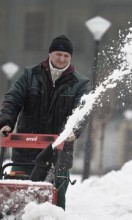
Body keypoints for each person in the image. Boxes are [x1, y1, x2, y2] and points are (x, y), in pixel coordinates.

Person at [0, 35, 90, 210]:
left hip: (59, 155)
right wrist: (6, 123)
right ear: (50, 54)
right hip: (25, 152)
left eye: (66, 56)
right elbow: (13, 99)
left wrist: (73, 130)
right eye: (58, 54)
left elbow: (82, 111)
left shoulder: (80, 83)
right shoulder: (29, 75)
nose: (62, 58)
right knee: (19, 197)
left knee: (56, 200)